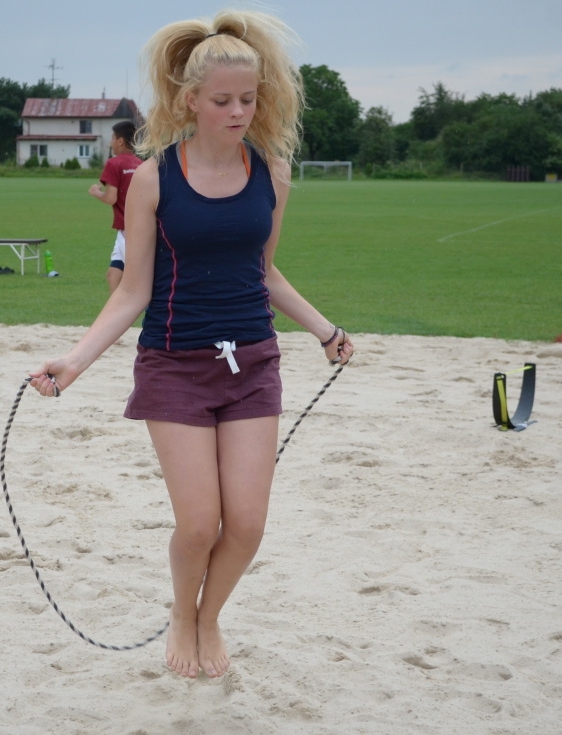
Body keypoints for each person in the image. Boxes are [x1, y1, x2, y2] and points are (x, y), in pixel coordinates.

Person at [28, 10, 353, 680]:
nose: (239, 112)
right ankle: (183, 613)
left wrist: (326, 331)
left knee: (248, 525)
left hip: (253, 363)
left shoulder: (273, 173)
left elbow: (266, 273)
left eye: (249, 99)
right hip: (175, 365)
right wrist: (76, 361)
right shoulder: (154, 180)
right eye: (223, 100)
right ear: (190, 101)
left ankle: (209, 618)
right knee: (201, 524)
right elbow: (132, 291)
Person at [88, 120, 142, 292]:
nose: (110, 142)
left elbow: (111, 198)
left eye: (112, 138)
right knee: (113, 275)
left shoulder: (114, 163)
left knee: (140, 281)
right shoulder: (140, 164)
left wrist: (96, 192)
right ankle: (117, 310)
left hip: (129, 232)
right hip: (139, 228)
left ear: (120, 141)